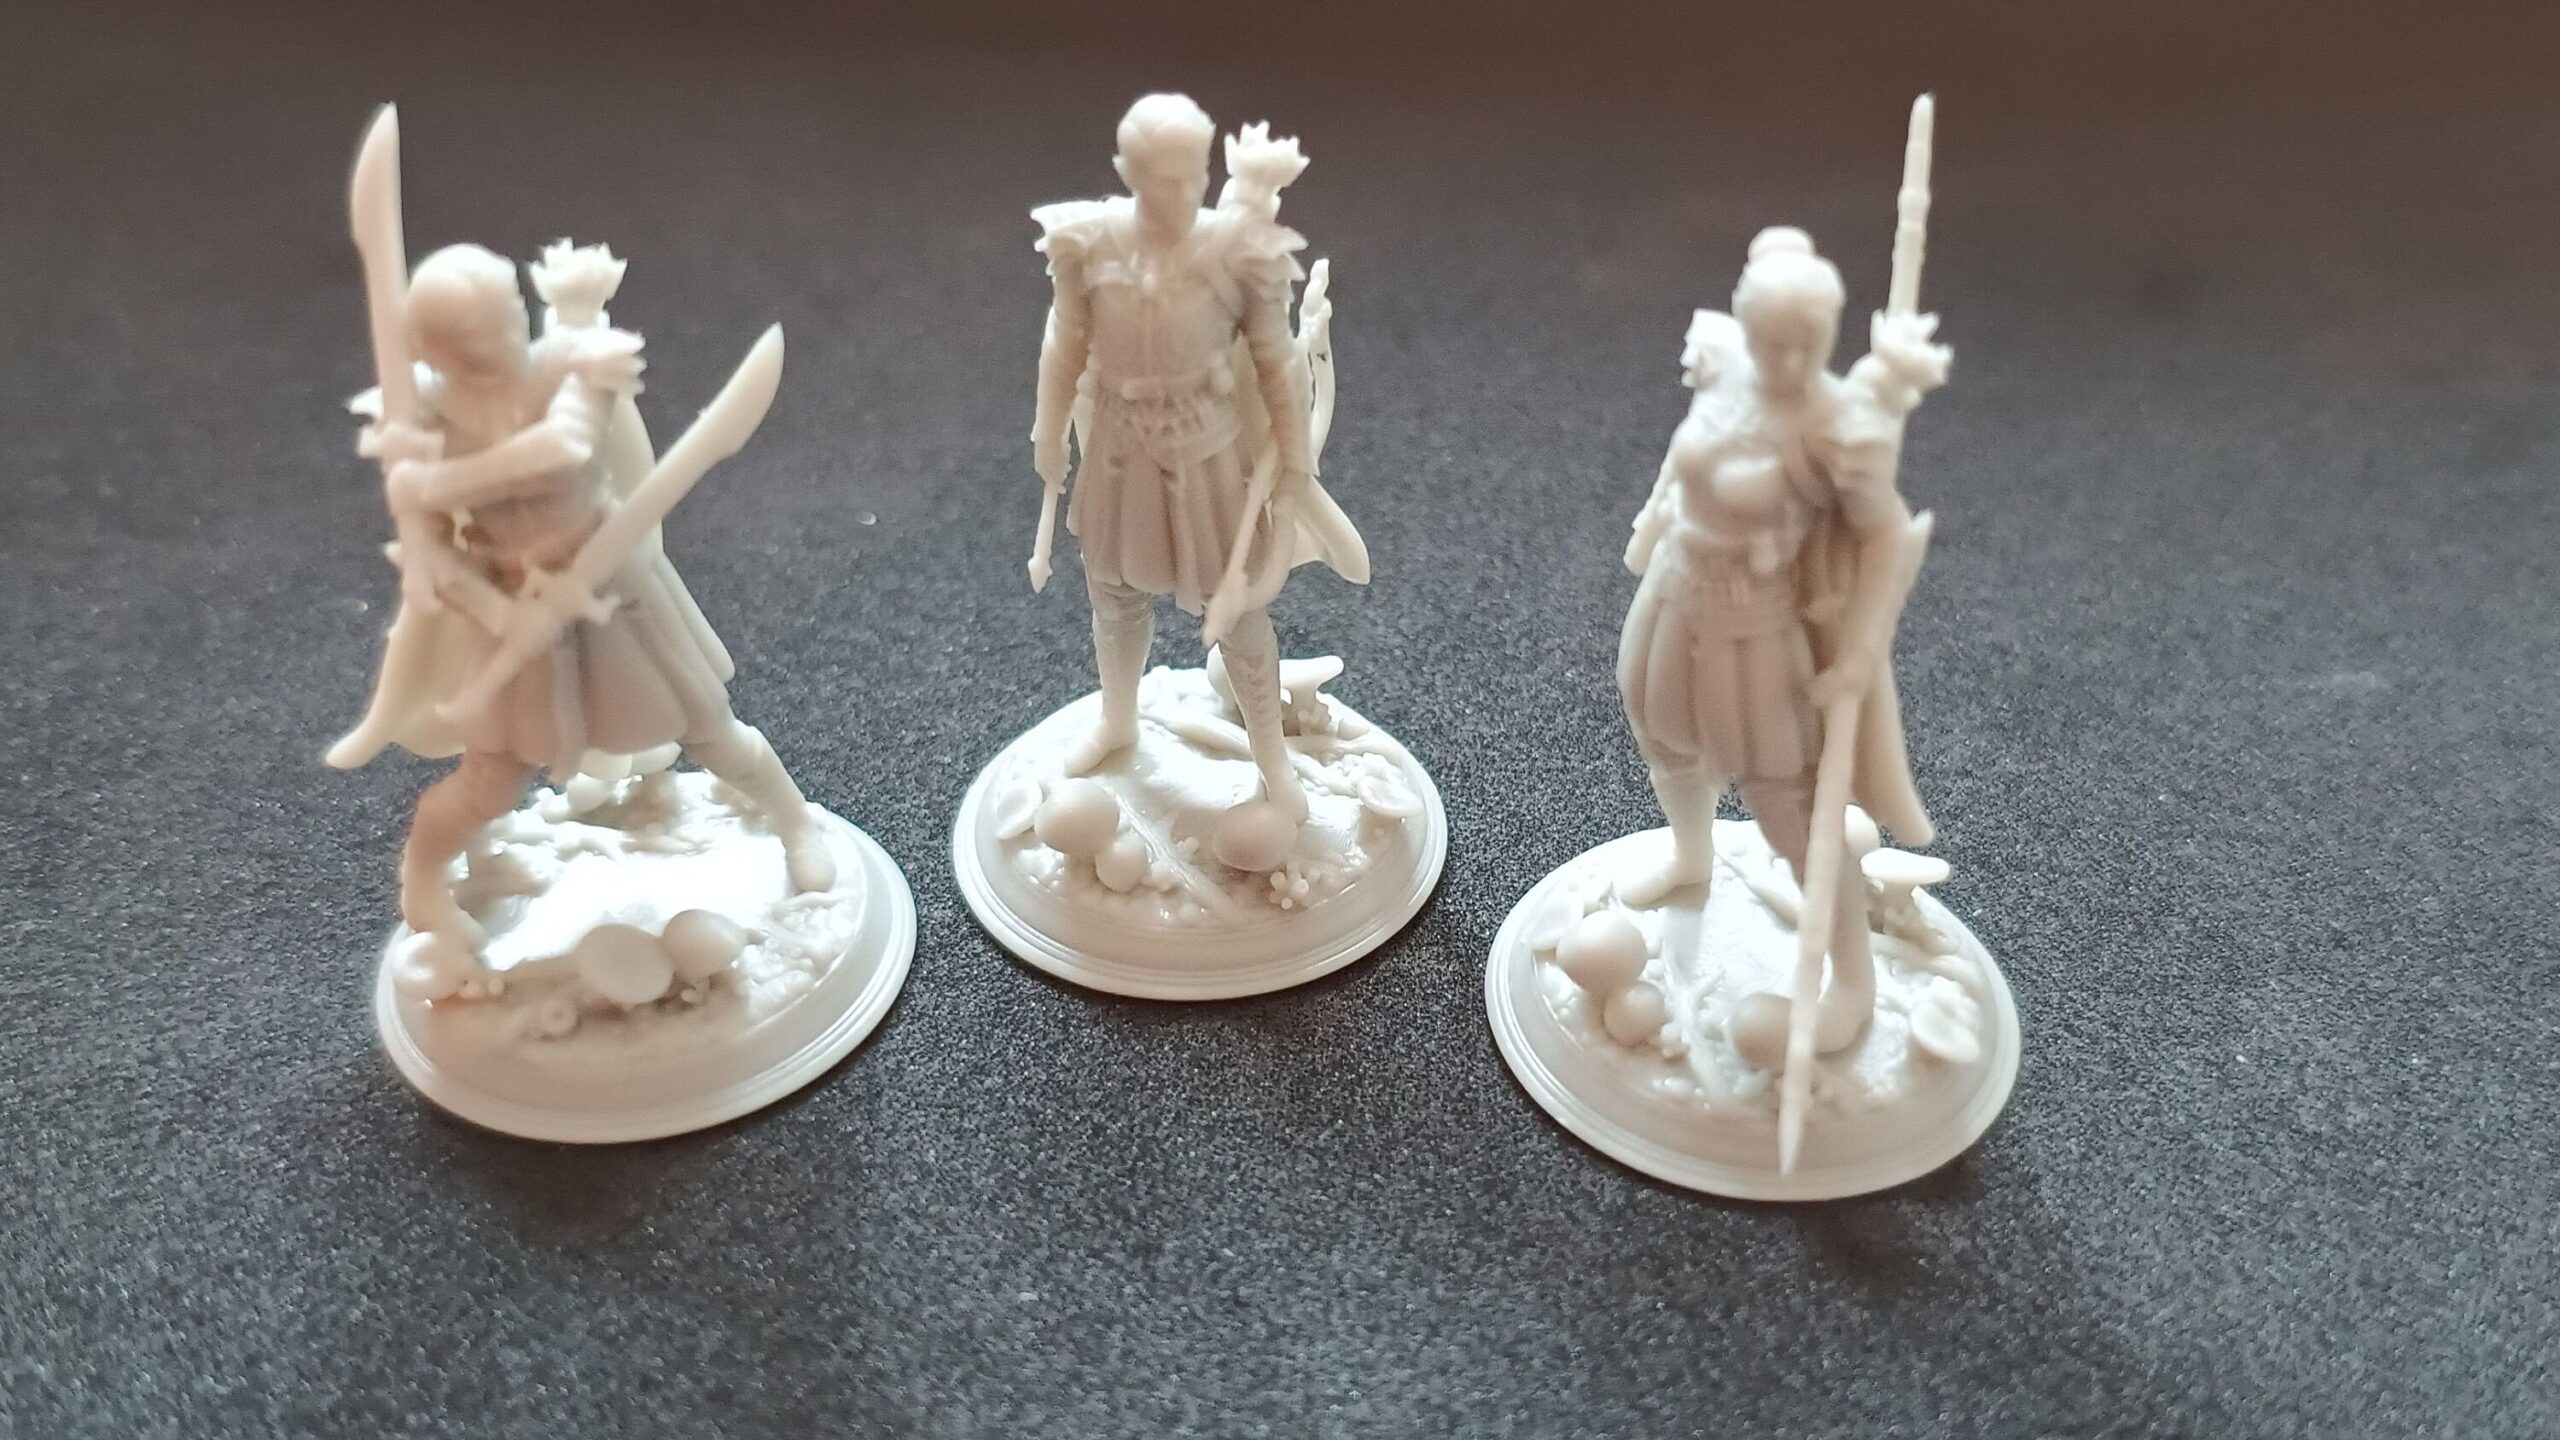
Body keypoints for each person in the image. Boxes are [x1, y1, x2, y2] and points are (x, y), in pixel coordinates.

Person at [333, 242, 832, 945]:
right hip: (511, 609)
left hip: (614, 584)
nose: (502, 339)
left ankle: (795, 823)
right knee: (489, 781)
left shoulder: (576, 360)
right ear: (438, 349)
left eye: (506, 316)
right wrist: (497, 608)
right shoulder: (423, 414)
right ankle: (421, 885)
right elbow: (434, 556)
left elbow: (563, 448)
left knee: (710, 729)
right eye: (475, 336)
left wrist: (433, 481)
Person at [1615, 225, 1952, 1027]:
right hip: (1673, 594)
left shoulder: (1838, 427)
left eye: (1809, 344)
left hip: (1755, 631)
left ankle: (1850, 990)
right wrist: (1653, 519)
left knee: (1788, 807)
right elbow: (1683, 463)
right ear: (1745, 321)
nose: (1790, 362)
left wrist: (1860, 651)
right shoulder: (1726, 367)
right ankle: (1691, 856)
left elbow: (1886, 540)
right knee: (1663, 737)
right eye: (1774, 341)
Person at [1029, 94, 1366, 823]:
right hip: (1119, 451)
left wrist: (1294, 463)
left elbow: (1276, 361)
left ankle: (1272, 760)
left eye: (1193, 175)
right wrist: (1048, 433)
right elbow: (1066, 341)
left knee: (1237, 609)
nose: (1182, 192)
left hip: (1207, 458)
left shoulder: (1237, 251)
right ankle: (1119, 719)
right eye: (1163, 178)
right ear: (1126, 170)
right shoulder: (1087, 243)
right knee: (1114, 593)